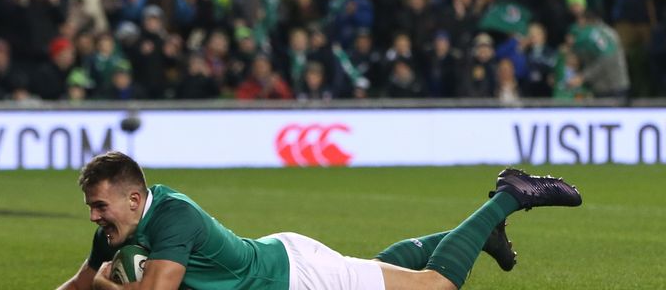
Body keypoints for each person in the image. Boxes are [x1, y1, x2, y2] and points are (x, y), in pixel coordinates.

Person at [56, 152, 582, 290]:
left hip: (294, 277)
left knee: (433, 286)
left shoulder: (172, 217)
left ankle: (509, 196)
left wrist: (107, 287)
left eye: (100, 206)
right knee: (375, 273)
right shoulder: (115, 232)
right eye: (91, 209)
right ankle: (473, 236)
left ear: (133, 198)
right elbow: (81, 284)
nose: (95, 217)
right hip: (281, 266)